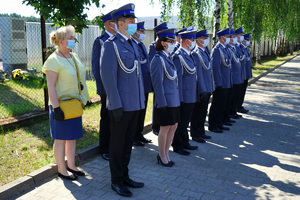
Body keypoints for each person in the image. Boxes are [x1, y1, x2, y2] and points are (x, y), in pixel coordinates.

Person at [100, 3, 145, 197]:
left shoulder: (132, 44)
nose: (134, 23)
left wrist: (141, 102)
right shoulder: (111, 45)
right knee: (117, 145)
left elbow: (137, 76)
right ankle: (116, 181)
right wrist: (115, 104)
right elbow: (108, 77)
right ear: (120, 24)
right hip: (121, 106)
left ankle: (125, 175)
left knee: (127, 144)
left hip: (134, 104)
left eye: (134, 20)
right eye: (131, 21)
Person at [42, 25, 90, 180]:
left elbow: (80, 79)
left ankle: (72, 165)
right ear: (61, 41)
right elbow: (50, 86)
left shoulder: (73, 56)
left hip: (74, 105)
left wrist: (84, 98)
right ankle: (62, 170)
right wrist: (56, 108)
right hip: (61, 106)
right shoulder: (53, 60)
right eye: (70, 37)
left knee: (72, 137)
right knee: (61, 138)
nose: (73, 40)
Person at [150, 28, 180, 167]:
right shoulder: (158, 59)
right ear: (163, 43)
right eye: (171, 41)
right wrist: (161, 103)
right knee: (165, 127)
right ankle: (162, 156)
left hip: (174, 99)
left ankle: (166, 153)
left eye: (174, 41)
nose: (174, 43)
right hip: (166, 101)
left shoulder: (168, 58)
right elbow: (158, 83)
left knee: (174, 126)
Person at [91, 9, 116, 161]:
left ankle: (114, 146)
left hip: (118, 89)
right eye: (114, 21)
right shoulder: (100, 41)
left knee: (116, 120)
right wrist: (103, 89)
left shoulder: (118, 40)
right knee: (106, 118)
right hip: (107, 90)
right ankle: (104, 148)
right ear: (108, 24)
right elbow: (96, 68)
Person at [171, 30, 198, 155]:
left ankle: (185, 141)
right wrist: (179, 98)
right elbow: (178, 80)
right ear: (187, 41)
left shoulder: (189, 54)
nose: (194, 42)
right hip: (184, 96)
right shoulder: (178, 56)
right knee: (180, 122)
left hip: (190, 95)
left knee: (185, 121)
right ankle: (178, 145)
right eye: (193, 40)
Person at [131, 21, 153, 146]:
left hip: (145, 83)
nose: (143, 33)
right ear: (135, 32)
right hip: (138, 84)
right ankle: (133, 136)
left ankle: (139, 134)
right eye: (141, 31)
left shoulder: (141, 45)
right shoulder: (133, 45)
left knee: (143, 111)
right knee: (137, 112)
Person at [190, 29, 214, 143]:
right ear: (198, 40)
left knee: (204, 111)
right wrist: (202, 89)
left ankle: (201, 131)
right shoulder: (196, 53)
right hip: (201, 87)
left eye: (206, 38)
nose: (206, 40)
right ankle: (195, 133)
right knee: (198, 112)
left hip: (207, 86)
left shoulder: (205, 51)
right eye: (204, 38)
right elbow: (198, 73)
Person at [208, 28, 232, 133]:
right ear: (222, 38)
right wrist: (218, 83)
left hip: (226, 82)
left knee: (222, 104)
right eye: (227, 36)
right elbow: (215, 67)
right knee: (217, 104)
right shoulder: (217, 50)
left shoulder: (225, 48)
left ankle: (219, 122)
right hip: (220, 82)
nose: (229, 38)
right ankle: (213, 125)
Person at [149, 22, 168, 135]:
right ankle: (156, 126)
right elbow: (153, 63)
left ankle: (163, 124)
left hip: (167, 77)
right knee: (158, 102)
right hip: (159, 77)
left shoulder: (167, 44)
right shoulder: (153, 46)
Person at [226, 29, 243, 120]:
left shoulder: (233, 48)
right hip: (231, 77)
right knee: (230, 98)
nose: (235, 38)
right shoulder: (228, 48)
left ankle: (232, 112)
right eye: (233, 37)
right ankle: (230, 113)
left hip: (236, 76)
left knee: (234, 96)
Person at [235, 27, 249, 114]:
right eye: (241, 35)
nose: (242, 37)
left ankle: (238, 106)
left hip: (243, 74)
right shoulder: (236, 47)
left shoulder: (241, 47)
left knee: (241, 92)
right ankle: (237, 107)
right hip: (237, 75)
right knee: (237, 93)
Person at [239, 33, 252, 112]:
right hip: (241, 74)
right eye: (246, 40)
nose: (248, 41)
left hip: (245, 73)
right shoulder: (240, 48)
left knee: (242, 91)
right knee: (239, 92)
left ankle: (240, 105)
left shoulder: (245, 48)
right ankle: (238, 106)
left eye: (248, 40)